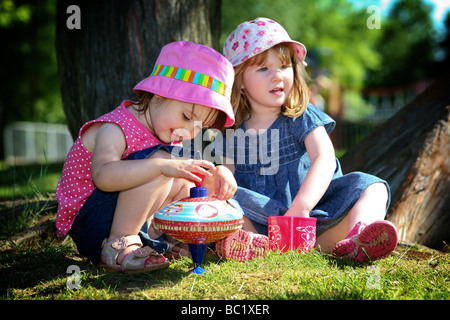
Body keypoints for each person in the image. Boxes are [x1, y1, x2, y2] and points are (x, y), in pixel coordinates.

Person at [213, 17, 398, 263]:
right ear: (240, 81)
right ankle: (249, 243)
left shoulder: (300, 115)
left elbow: (325, 158)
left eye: (283, 66)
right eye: (263, 69)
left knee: (372, 186)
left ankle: (359, 235)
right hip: (261, 224)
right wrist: (220, 179)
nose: (277, 76)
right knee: (224, 200)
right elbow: (228, 179)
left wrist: (302, 207)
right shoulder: (233, 130)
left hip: (317, 220)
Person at [56, 41, 238, 272]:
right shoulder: (116, 128)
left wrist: (217, 171)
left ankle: (171, 239)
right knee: (163, 163)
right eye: (186, 116)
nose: (191, 132)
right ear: (157, 95)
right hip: (93, 223)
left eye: (201, 127)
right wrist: (160, 167)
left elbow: (187, 168)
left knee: (184, 174)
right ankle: (119, 244)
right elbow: (102, 175)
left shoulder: (167, 132)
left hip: (129, 215)